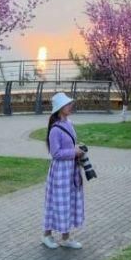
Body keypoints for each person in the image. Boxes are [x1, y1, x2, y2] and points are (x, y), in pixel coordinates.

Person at [42, 92, 84, 249]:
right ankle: (46, 236)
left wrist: (77, 148)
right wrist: (74, 152)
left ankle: (65, 238)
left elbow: (69, 145)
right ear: (59, 108)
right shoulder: (55, 129)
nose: (70, 106)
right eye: (67, 105)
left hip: (71, 170)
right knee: (56, 203)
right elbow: (55, 153)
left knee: (68, 202)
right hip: (60, 172)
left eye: (70, 104)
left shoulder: (69, 123)